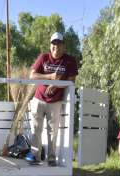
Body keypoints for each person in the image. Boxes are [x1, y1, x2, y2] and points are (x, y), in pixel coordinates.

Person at [28, 31, 78, 166]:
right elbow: (32, 75)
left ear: (63, 46)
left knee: (52, 132)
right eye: (53, 44)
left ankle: (51, 159)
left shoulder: (70, 61)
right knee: (36, 129)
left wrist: (56, 85)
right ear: (50, 46)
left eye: (59, 44)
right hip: (38, 99)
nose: (56, 47)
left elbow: (72, 79)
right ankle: (35, 156)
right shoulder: (43, 57)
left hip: (55, 102)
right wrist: (50, 77)